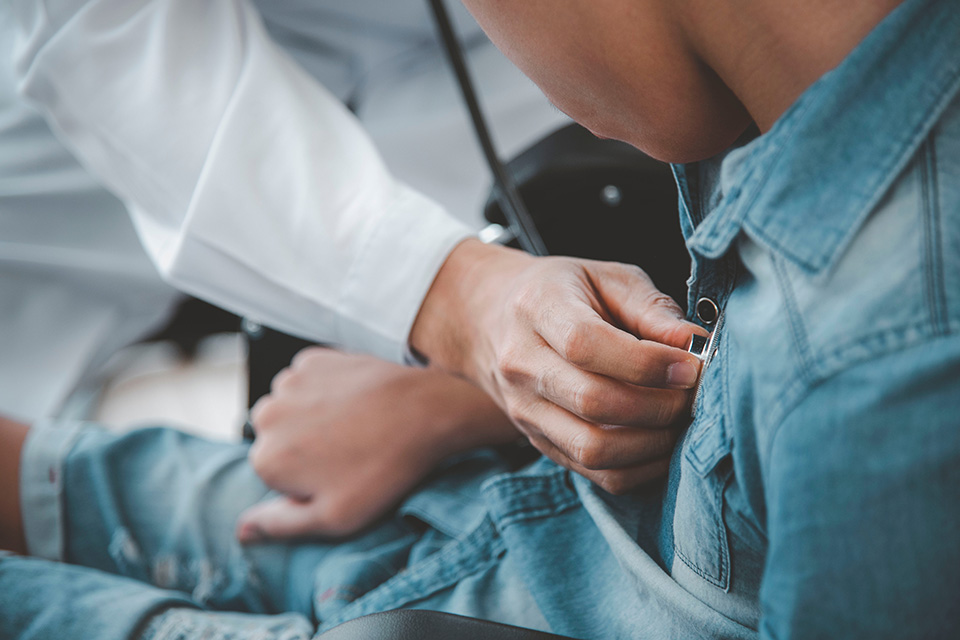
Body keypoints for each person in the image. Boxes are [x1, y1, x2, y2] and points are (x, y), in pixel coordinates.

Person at [3, 0, 960, 638]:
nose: (550, 103)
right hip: (554, 531)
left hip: (543, 584)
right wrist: (475, 386)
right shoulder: (804, 105)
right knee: (60, 477)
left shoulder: (884, 381)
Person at [0, 0, 567, 425]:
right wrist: (450, 296)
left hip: (462, 121)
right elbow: (106, 42)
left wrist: (457, 401)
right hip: (71, 163)